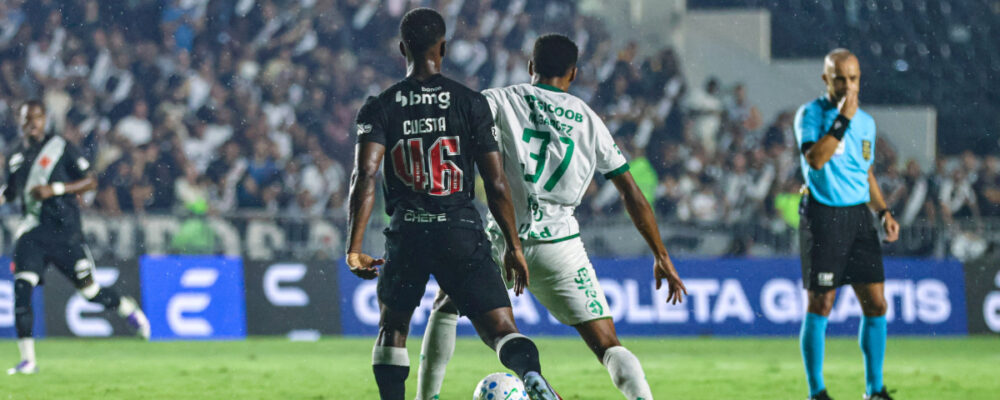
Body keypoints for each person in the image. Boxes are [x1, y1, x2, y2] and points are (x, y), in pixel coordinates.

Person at [415, 34, 687, 400]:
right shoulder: (589, 120)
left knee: (446, 305)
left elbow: (450, 123)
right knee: (608, 344)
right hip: (561, 246)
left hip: (503, 239)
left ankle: (427, 397)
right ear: (573, 73)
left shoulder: (500, 99)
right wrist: (661, 255)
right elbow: (631, 194)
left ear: (531, 66)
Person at [344, 9, 559, 400]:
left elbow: (365, 176)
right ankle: (530, 374)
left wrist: (354, 247)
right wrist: (513, 246)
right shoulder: (470, 102)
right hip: (460, 231)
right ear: (443, 48)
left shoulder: (380, 106)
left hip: (408, 231)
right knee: (501, 329)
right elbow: (496, 183)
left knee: (393, 329)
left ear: (402, 49)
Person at [2, 100, 151, 375]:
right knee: (22, 289)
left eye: (37, 117)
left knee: (90, 292)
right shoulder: (14, 154)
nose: (32, 123)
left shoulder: (60, 147)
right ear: (20, 122)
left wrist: (55, 189)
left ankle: (126, 307)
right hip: (32, 232)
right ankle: (28, 361)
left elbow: (91, 181)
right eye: (26, 118)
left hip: (66, 234)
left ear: (45, 119)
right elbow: (11, 192)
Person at [794, 49, 900, 400]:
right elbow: (816, 159)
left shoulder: (866, 122)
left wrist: (883, 212)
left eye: (853, 78)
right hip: (823, 215)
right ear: (826, 79)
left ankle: (875, 390)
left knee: (877, 304)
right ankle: (817, 392)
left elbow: (864, 172)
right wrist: (842, 119)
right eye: (839, 78)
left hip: (858, 218)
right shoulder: (811, 114)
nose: (847, 85)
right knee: (821, 303)